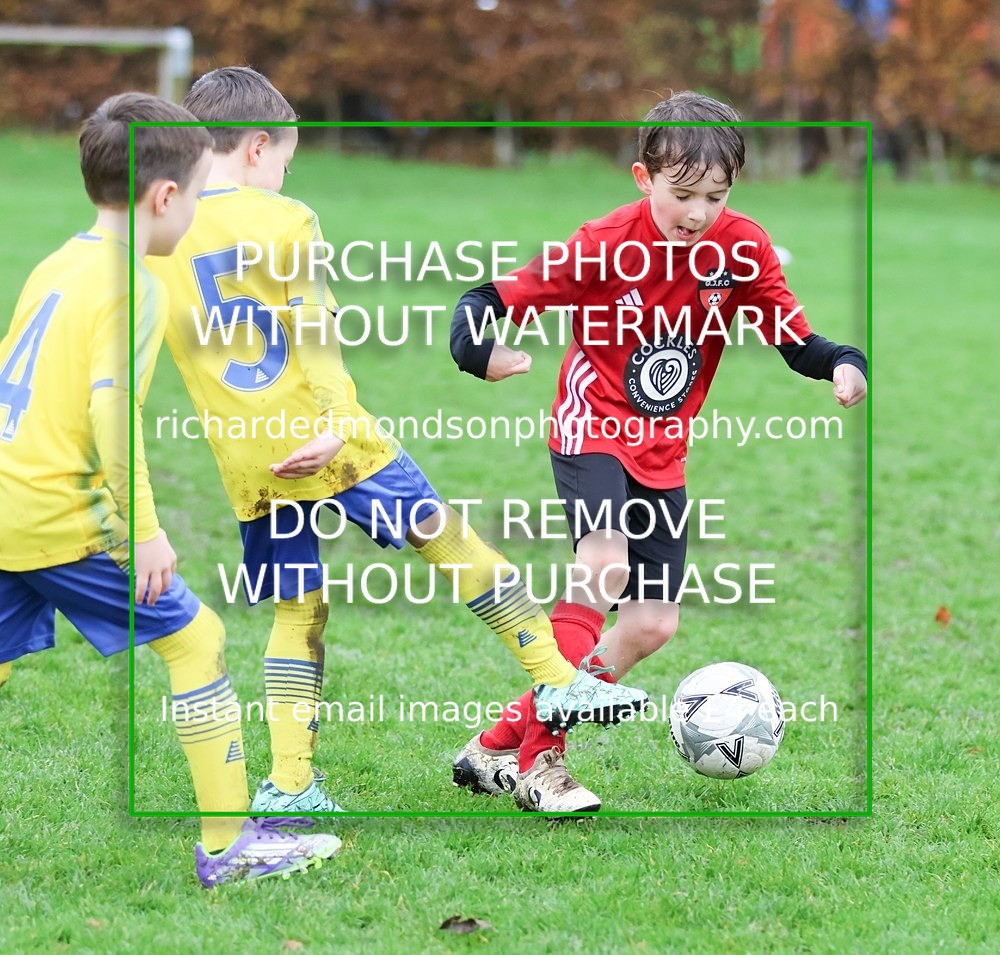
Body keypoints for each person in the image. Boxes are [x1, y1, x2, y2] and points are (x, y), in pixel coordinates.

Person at [146, 66, 649, 815]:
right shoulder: (286, 219)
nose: (286, 173)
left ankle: (290, 785)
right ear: (256, 147)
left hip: (248, 460)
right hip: (329, 435)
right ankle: (552, 672)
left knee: (297, 610)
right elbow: (315, 342)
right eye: (285, 157)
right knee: (444, 536)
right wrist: (337, 423)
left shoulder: (163, 235)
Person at [450, 91, 868, 812]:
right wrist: (475, 348)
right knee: (604, 563)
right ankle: (540, 759)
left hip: (662, 450)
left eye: (716, 194)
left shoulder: (740, 248)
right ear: (643, 178)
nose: (699, 212)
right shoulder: (605, 242)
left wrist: (843, 361)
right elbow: (490, 295)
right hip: (593, 426)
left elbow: (794, 335)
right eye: (682, 195)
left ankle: (496, 744)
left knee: (650, 624)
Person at [0, 92, 340, 885]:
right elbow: (111, 413)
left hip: (5, 501)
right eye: (195, 193)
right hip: (60, 516)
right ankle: (230, 847)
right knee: (197, 639)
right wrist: (141, 531)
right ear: (164, 197)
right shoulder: (134, 283)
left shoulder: (58, 262)